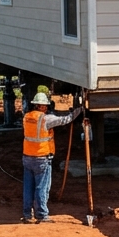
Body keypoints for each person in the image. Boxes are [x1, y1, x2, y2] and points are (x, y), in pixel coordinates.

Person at [21, 88, 83, 223]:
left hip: (27, 157)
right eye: (46, 106)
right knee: (41, 187)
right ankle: (42, 215)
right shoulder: (45, 119)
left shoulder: (27, 117)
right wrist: (79, 109)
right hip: (41, 158)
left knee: (28, 187)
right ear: (42, 106)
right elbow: (66, 119)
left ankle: (27, 214)